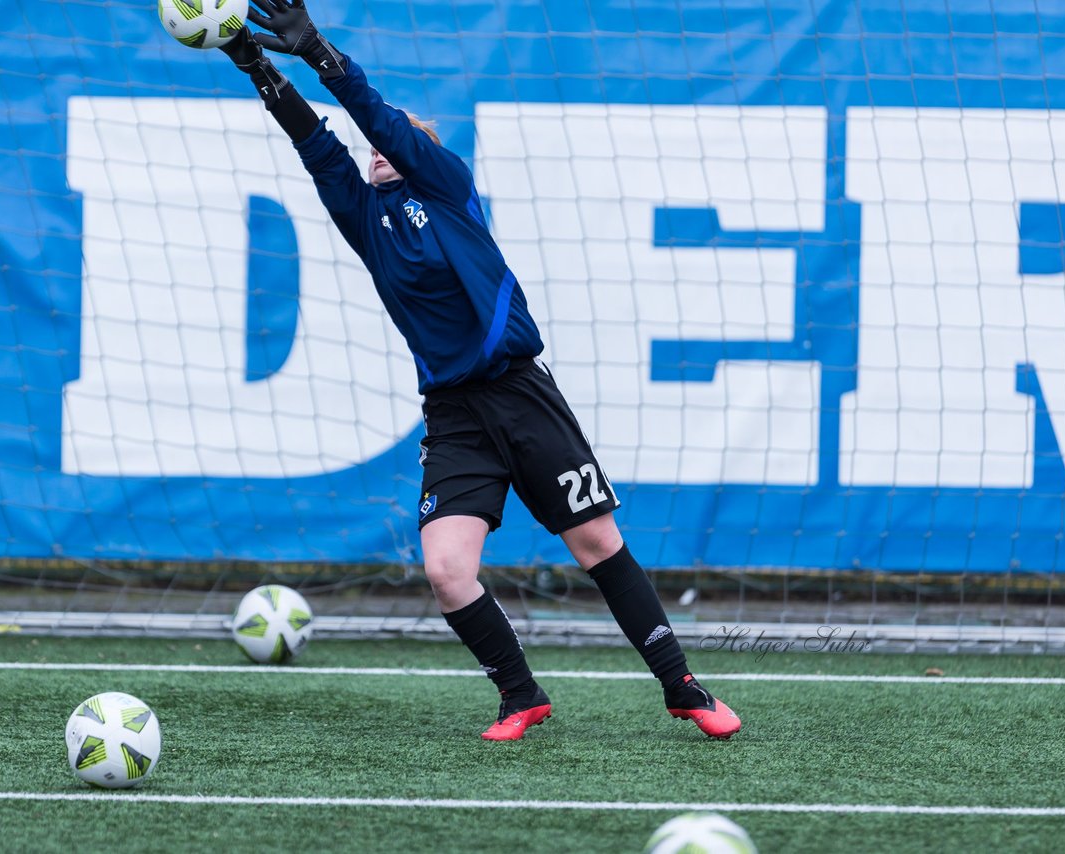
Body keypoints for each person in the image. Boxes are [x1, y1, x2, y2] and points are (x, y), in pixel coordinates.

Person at [221, 0, 741, 742]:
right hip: (455, 413)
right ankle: (520, 694)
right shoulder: (369, 223)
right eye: (372, 150)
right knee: (445, 570)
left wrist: (323, 56)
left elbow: (378, 121)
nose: (374, 151)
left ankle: (683, 686)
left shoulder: (447, 189)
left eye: (389, 142)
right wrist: (261, 69)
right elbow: (318, 146)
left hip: (522, 393)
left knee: (596, 544)